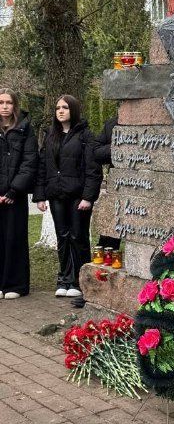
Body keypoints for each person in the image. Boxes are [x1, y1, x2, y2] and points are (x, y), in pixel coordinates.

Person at [33, 95, 102, 302]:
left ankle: (80, 282)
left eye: (65, 107)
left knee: (78, 236)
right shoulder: (50, 135)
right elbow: (42, 167)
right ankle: (64, 279)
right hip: (56, 194)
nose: (60, 111)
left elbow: (93, 168)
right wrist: (40, 196)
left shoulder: (85, 135)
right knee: (62, 236)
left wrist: (88, 197)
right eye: (57, 108)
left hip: (77, 196)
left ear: (74, 109)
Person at [0, 89, 38, 300]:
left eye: (9, 102)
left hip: (16, 195)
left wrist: (14, 190)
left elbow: (29, 162)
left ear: (15, 105)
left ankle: (16, 284)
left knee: (15, 238)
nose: (5, 106)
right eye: (1, 102)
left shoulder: (25, 129)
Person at [93, 116, 120, 251]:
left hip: (146, 183)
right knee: (110, 229)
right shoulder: (112, 124)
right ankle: (107, 258)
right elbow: (96, 152)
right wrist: (117, 146)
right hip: (117, 184)